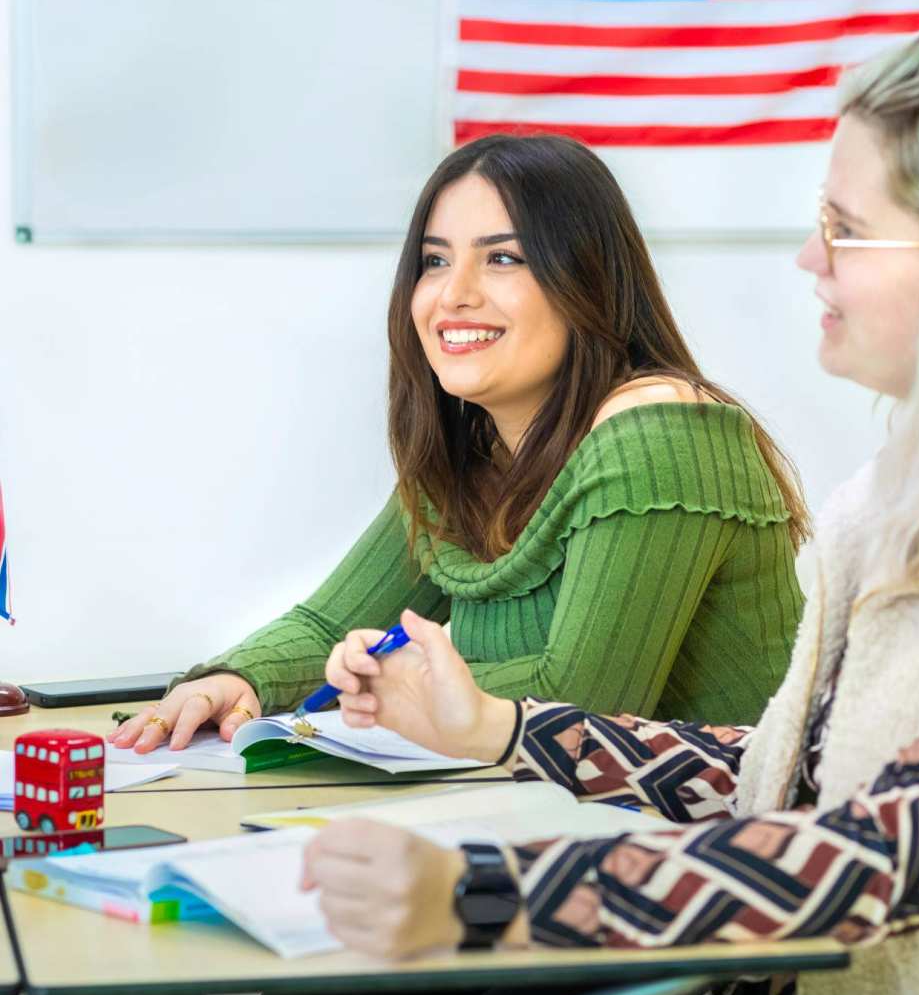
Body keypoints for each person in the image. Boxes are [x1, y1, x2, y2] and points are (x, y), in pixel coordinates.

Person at [302, 32, 919, 995]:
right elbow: (778, 773)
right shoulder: (889, 507)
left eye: (846, 229)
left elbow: (884, 851)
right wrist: (498, 728)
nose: (806, 256)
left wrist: (490, 898)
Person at [111, 134, 808, 756]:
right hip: (557, 828)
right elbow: (332, 622)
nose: (453, 295)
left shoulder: (661, 432)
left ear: (587, 280)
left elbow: (583, 702)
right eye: (434, 261)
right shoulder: (475, 449)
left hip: (728, 847)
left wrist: (383, 688)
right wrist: (236, 677)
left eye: (502, 258)